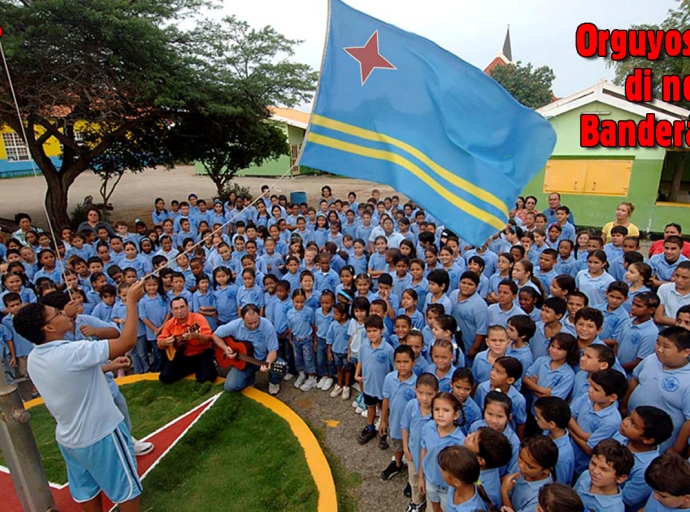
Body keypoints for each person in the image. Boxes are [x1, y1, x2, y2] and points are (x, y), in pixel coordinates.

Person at [12, 280, 146, 512]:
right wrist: (131, 302)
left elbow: (73, 376)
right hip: (102, 435)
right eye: (57, 313)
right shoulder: (73, 351)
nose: (65, 312)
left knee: (87, 491)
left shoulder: (35, 358)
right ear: (49, 328)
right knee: (126, 491)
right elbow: (127, 341)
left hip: (70, 440)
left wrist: (108, 366)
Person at [212, 304, 282, 395]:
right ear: (242, 319)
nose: (253, 325)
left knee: (282, 366)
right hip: (243, 362)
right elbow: (215, 335)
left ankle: (274, 382)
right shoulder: (235, 325)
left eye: (256, 322)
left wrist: (267, 363)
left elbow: (273, 351)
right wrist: (225, 348)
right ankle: (249, 379)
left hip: (263, 359)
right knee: (229, 386)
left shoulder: (268, 326)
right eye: (249, 323)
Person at [157, 297, 216, 384]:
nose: (179, 311)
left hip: (201, 353)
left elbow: (208, 340)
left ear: (188, 307)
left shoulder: (199, 319)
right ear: (172, 311)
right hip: (181, 356)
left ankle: (202, 367)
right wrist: (164, 342)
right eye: (176, 308)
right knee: (165, 377)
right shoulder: (169, 323)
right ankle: (194, 368)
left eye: (182, 307)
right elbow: (159, 343)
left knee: (206, 378)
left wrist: (197, 336)